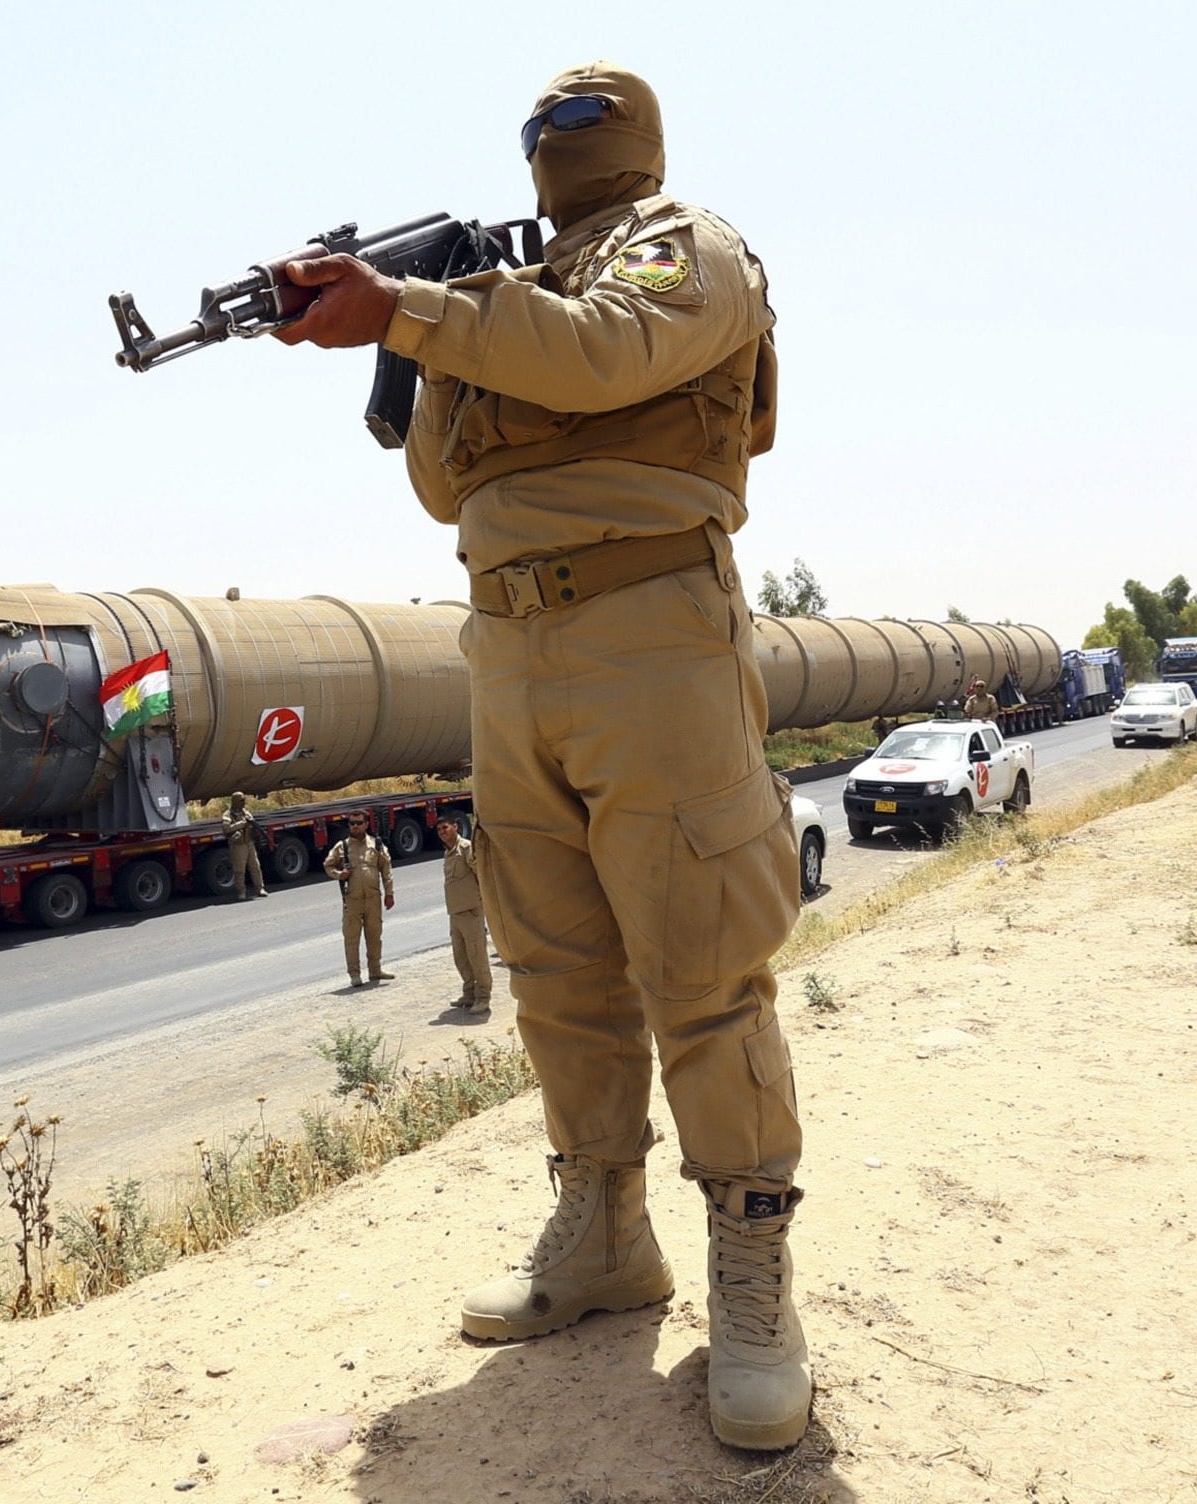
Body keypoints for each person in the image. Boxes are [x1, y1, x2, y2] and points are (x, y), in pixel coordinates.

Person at [272, 62, 810, 1449]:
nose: (554, 144)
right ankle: (604, 1233)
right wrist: (421, 346)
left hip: (653, 629)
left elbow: (613, 352)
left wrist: (419, 310)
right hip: (508, 645)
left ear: (630, 136)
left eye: (577, 124)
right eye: (539, 128)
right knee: (558, 964)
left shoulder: (681, 244)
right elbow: (450, 481)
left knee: (697, 958)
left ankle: (750, 1266)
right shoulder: (506, 286)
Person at [322, 811, 395, 986]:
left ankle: (375, 970)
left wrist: (389, 893)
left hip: (372, 898)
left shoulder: (376, 844)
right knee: (352, 938)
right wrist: (340, 874)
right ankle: (354, 974)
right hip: (352, 899)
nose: (355, 826)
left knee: (374, 936)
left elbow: (386, 869)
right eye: (352, 823)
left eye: (359, 823)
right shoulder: (342, 847)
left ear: (366, 824)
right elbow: (328, 865)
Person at [436, 815, 494, 1011]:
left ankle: (483, 997)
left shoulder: (467, 848)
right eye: (439, 830)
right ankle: (469, 994)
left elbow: (481, 874)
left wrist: (484, 904)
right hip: (455, 914)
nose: (442, 832)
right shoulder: (448, 854)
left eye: (445, 828)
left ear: (455, 826)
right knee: (460, 957)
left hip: (471, 912)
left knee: (477, 956)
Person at [223, 792, 269, 899]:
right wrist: (241, 824)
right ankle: (241, 892)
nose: (243, 803)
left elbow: (253, 825)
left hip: (249, 843)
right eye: (241, 801)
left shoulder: (246, 813)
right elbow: (226, 828)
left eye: (244, 801)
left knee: (255, 867)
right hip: (238, 845)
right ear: (235, 802)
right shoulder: (228, 815)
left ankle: (260, 888)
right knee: (240, 870)